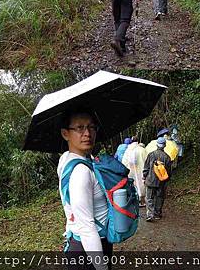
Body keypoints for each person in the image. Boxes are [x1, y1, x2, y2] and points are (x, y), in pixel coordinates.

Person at [58, 110, 110, 270]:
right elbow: (87, 227)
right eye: (80, 128)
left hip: (77, 241)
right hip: (89, 248)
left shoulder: (66, 158)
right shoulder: (81, 172)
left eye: (91, 127)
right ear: (65, 133)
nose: (87, 133)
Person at [142, 137, 172, 222]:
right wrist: (166, 180)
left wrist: (144, 176)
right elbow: (169, 172)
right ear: (164, 145)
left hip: (150, 180)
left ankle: (150, 214)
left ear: (157, 145)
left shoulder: (151, 155)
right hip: (161, 182)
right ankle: (157, 214)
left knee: (149, 198)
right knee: (159, 197)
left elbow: (146, 167)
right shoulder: (167, 157)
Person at [122, 137, 148, 207]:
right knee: (142, 184)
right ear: (138, 141)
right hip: (141, 170)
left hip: (131, 172)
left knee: (134, 184)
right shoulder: (142, 150)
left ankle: (136, 200)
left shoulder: (127, 151)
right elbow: (147, 160)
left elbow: (124, 162)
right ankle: (143, 200)